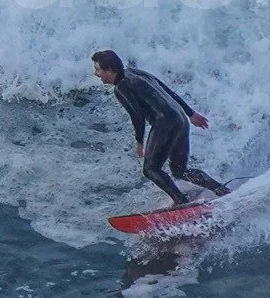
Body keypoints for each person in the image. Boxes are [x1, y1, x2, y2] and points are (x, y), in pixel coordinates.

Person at [92, 49, 229, 206]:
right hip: (180, 119)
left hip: (165, 124)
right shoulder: (135, 72)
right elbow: (166, 90)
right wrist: (190, 114)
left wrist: (139, 142)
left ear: (109, 70)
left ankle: (181, 202)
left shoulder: (121, 88)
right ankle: (220, 189)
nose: (96, 74)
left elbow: (137, 116)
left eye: (98, 70)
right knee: (180, 171)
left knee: (150, 169)